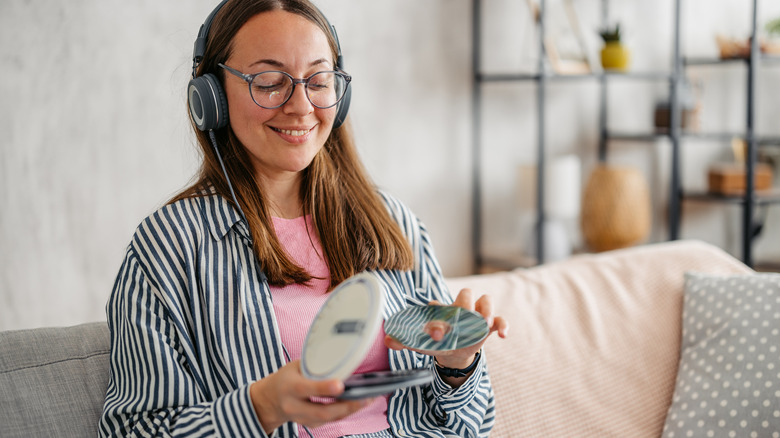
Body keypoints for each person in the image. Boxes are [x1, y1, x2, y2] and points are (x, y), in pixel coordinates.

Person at [99, 1, 507, 437]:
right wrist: (261, 408)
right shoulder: (168, 247)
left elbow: (472, 427)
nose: (301, 106)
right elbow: (133, 430)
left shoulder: (393, 222)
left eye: (318, 80)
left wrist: (456, 367)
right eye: (270, 82)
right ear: (211, 96)